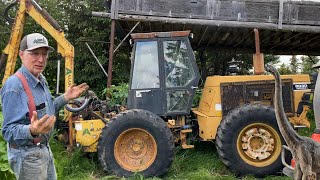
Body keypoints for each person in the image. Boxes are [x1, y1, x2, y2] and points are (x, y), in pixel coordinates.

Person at [1, 33, 89, 180]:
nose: (41, 59)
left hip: (44, 149)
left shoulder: (41, 79)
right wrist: (31, 130)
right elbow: (8, 132)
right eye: (35, 53)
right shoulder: (14, 86)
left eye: (44, 54)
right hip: (27, 156)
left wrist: (66, 97)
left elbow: (48, 110)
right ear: (21, 55)